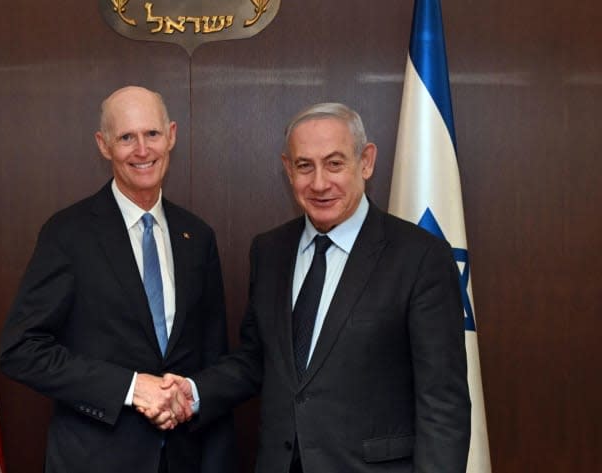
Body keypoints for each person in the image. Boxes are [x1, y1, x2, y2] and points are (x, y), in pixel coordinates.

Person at [160, 102, 471, 472]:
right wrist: (193, 393)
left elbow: (444, 403)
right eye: (305, 166)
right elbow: (257, 360)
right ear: (288, 169)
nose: (320, 183)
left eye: (335, 163)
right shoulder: (269, 251)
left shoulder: (420, 257)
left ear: (366, 161)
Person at [0, 86, 234, 473]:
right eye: (126, 138)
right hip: (95, 459)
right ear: (104, 145)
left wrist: (187, 400)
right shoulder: (68, 234)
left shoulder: (197, 236)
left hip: (184, 458)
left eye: (152, 134)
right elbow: (21, 350)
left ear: (171, 135)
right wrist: (130, 388)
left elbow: (213, 358)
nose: (142, 150)